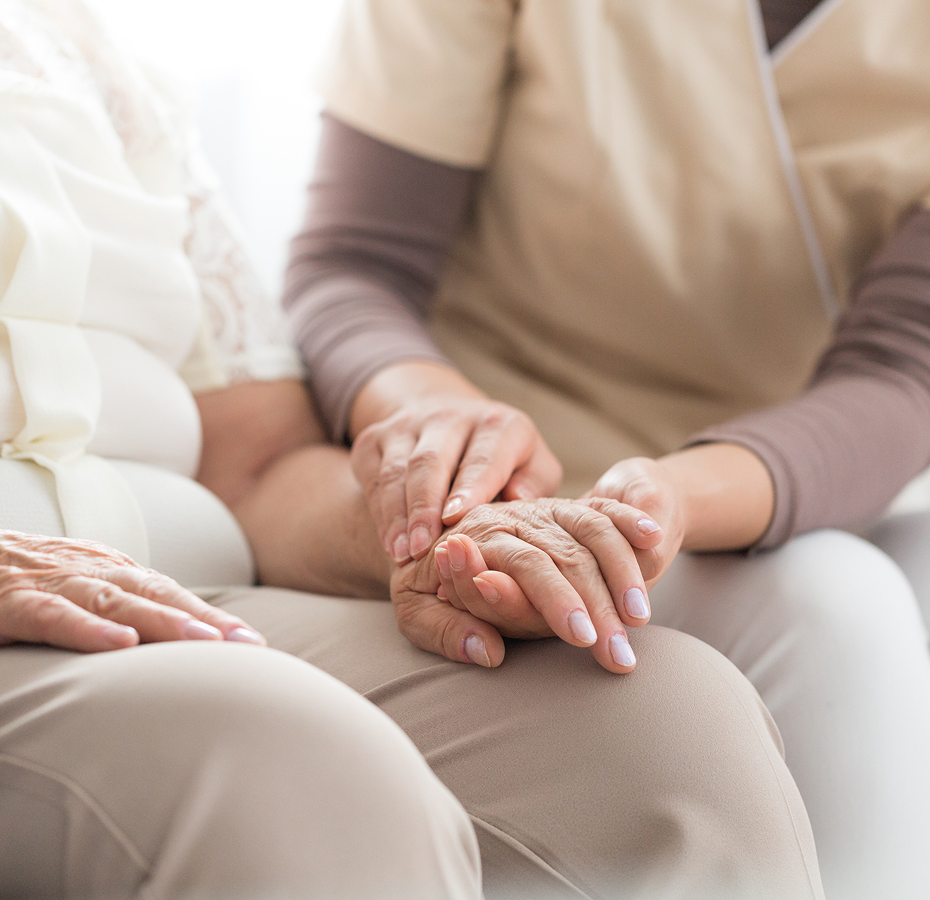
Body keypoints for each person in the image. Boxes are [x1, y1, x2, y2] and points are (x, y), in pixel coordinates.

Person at [0, 1, 826, 897]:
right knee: (293, 771)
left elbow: (259, 465)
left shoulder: (83, 51)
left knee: (663, 724)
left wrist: (435, 533)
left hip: (189, 594)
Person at [281, 1, 930, 897]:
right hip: (483, 477)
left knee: (881, 582)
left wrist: (668, 501)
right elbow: (355, 263)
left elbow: (903, 371)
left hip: (749, 489)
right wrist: (446, 432)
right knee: (834, 605)